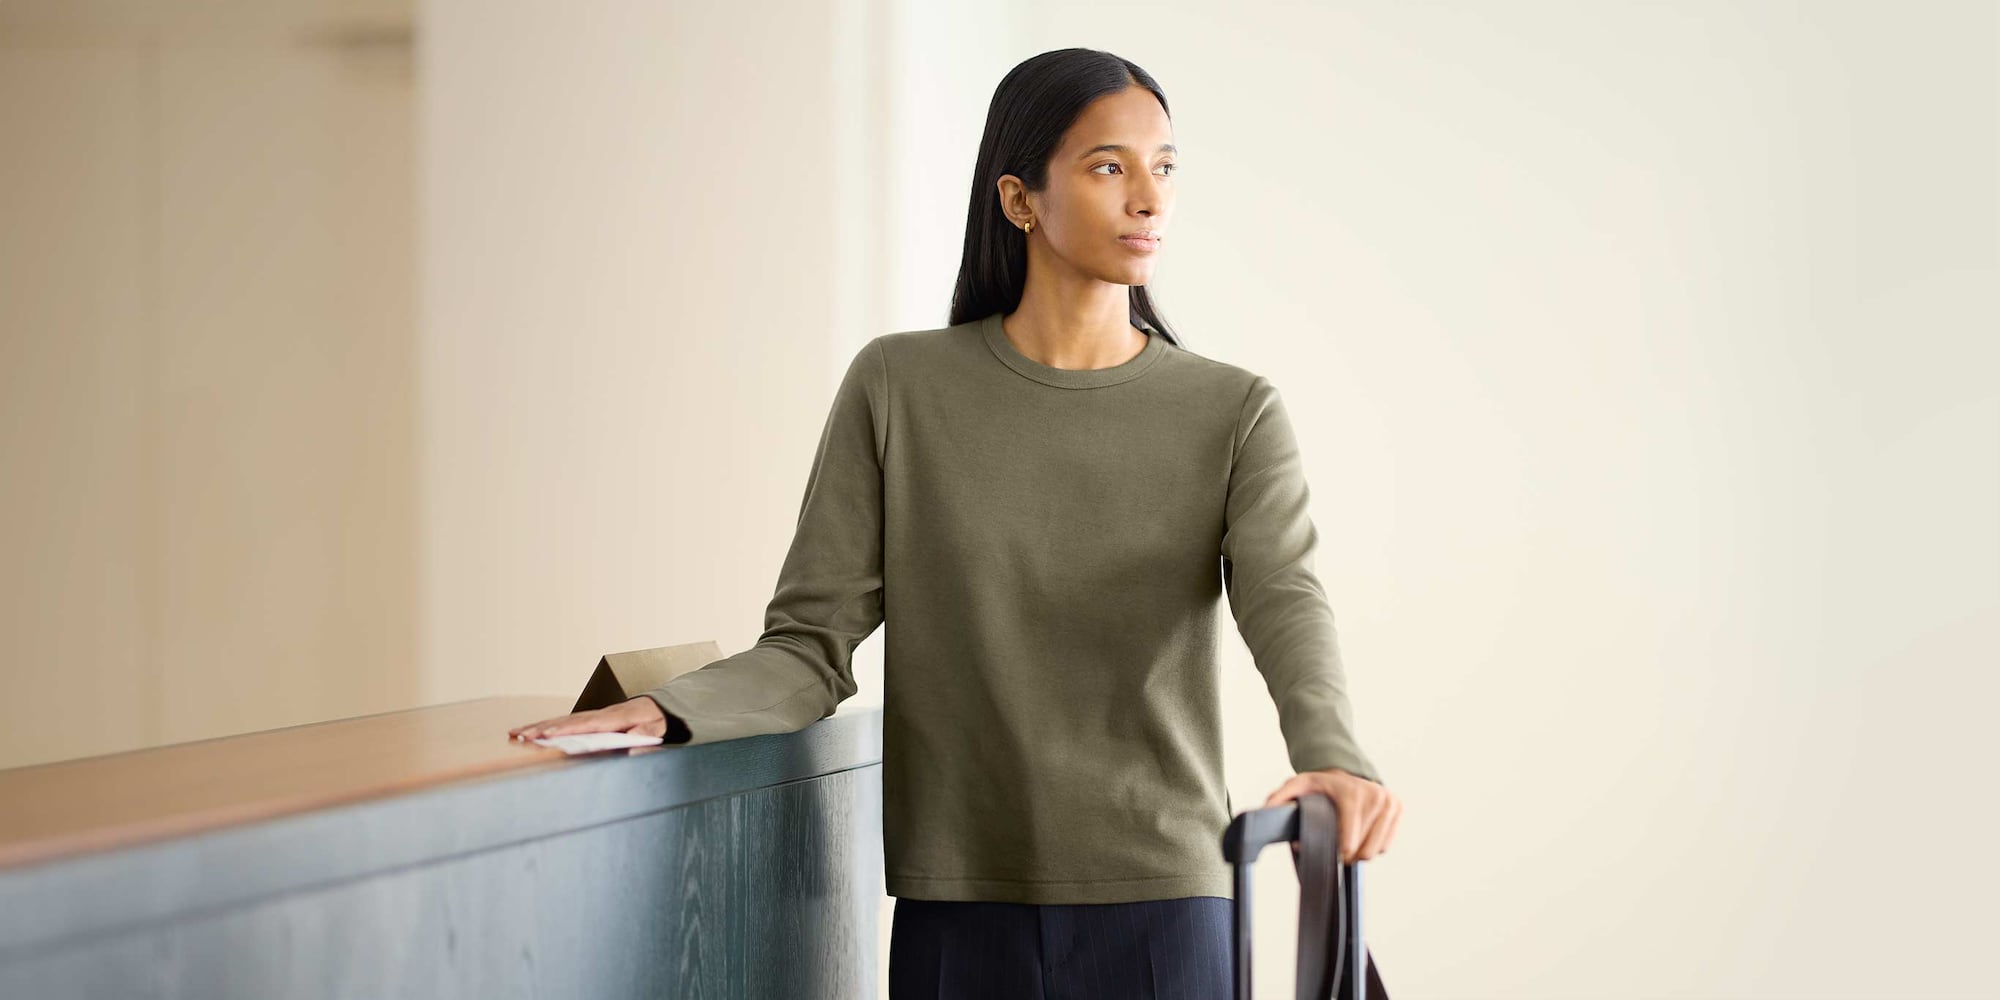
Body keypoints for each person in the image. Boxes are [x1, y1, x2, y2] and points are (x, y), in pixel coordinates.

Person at [510, 46, 1403, 998]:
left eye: (1165, 167)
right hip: (959, 912)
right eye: (1110, 166)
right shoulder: (901, 387)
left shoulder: (1233, 412)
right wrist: (671, 710)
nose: (1150, 197)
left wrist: (1335, 759)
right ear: (1020, 199)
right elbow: (812, 646)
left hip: (1167, 906)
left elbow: (1287, 602)